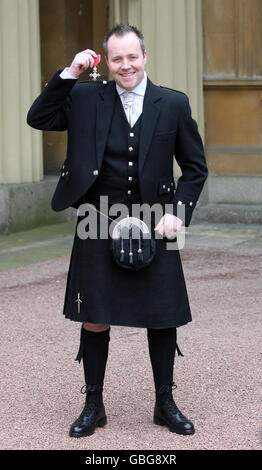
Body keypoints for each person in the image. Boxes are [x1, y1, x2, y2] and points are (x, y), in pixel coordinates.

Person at [27, 24, 208, 438]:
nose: (125, 65)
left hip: (156, 219)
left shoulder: (174, 104)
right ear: (106, 62)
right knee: (94, 316)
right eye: (116, 59)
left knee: (162, 315)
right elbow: (39, 116)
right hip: (98, 218)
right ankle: (94, 404)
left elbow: (195, 168)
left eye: (131, 57)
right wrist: (69, 73)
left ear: (144, 56)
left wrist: (178, 212)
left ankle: (165, 403)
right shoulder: (86, 96)